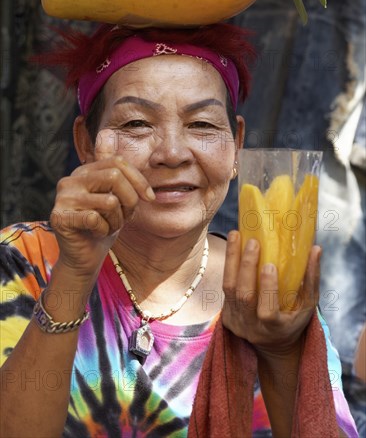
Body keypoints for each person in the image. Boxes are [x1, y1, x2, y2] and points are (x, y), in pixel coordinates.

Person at [0, 23, 357, 437]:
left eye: (202, 125)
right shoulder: (23, 258)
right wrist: (75, 274)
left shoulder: (266, 286)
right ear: (86, 143)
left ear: (237, 143)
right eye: (136, 124)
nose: (171, 153)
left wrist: (280, 350)